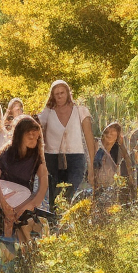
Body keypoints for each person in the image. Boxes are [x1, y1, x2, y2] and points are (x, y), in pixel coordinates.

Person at [38, 80, 96, 208]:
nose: (59, 96)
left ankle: (71, 222)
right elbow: (36, 125)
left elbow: (89, 138)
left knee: (72, 192)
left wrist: (91, 165)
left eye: (62, 93)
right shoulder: (48, 112)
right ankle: (55, 223)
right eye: (56, 94)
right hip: (52, 157)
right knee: (55, 193)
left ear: (68, 93)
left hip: (76, 157)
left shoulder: (80, 110)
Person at [0, 115, 49, 242]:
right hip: (3, 194)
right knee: (10, 218)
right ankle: (8, 251)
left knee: (22, 221)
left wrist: (26, 207)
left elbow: (43, 186)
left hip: (23, 200)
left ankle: (16, 253)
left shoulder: (37, 157)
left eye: (36, 135)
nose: (34, 138)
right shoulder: (8, 152)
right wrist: (3, 204)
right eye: (30, 135)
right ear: (20, 135)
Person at [92, 121, 135, 201]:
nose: (109, 134)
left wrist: (122, 145)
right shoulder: (96, 144)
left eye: (113, 132)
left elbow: (129, 166)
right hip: (95, 188)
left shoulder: (117, 152)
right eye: (108, 131)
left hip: (110, 192)